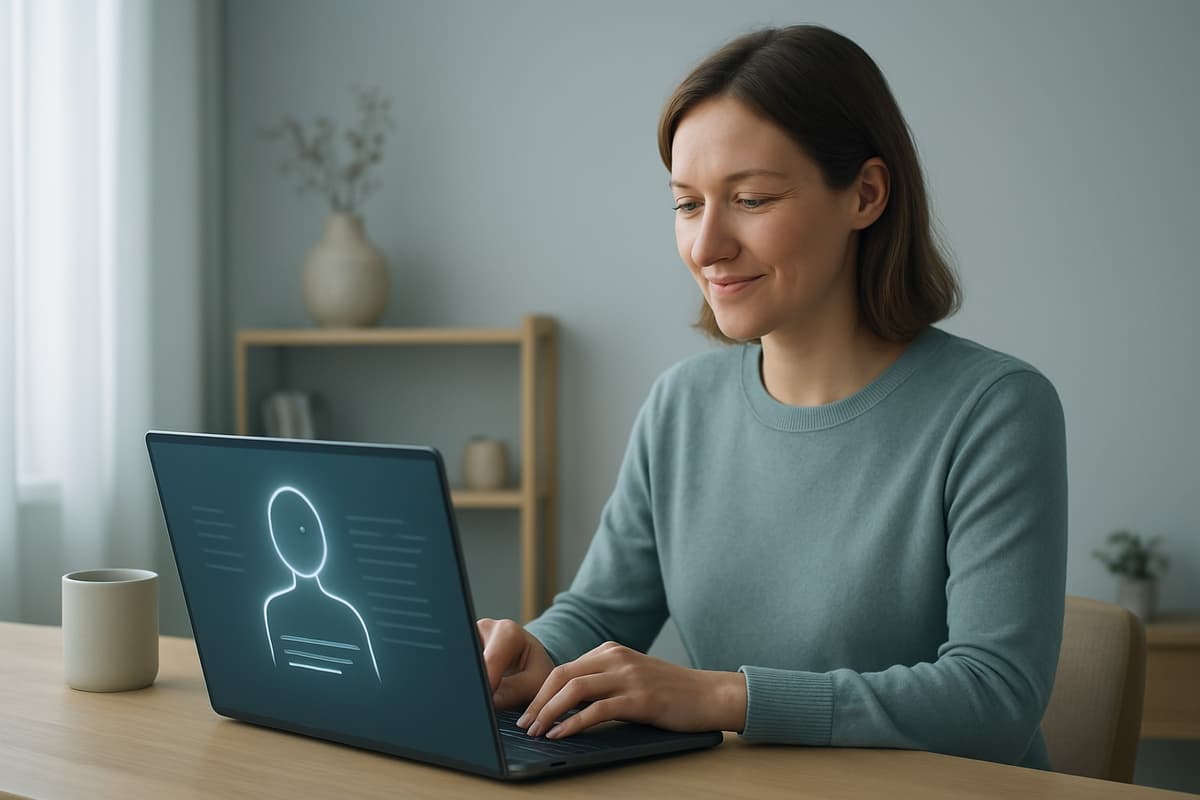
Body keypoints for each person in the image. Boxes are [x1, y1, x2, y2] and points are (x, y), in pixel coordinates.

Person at [477, 24, 1067, 769]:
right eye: (687, 205)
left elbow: (993, 700)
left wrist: (723, 697)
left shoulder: (996, 409)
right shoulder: (680, 405)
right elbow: (597, 614)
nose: (706, 245)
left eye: (750, 199)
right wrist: (524, 653)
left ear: (866, 194)